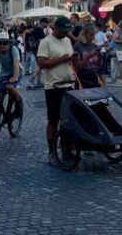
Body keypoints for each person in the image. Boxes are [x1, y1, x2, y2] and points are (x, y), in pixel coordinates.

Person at [38, 16, 76, 158]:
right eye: (64, 31)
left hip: (69, 84)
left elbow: (69, 58)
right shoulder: (45, 42)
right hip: (53, 87)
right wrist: (62, 59)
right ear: (56, 28)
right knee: (53, 120)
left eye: (68, 31)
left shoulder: (67, 41)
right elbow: (41, 63)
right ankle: (52, 150)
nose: (66, 34)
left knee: (69, 119)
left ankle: (67, 148)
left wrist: (74, 58)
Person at [0, 31, 22, 121]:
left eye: (4, 43)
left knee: (10, 86)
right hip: (4, 73)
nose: (2, 45)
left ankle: (18, 104)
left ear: (9, 43)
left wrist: (14, 78)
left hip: (16, 71)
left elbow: (16, 65)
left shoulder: (13, 50)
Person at [74, 23, 105, 88]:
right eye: (91, 35)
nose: (93, 37)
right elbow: (76, 67)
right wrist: (88, 56)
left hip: (95, 78)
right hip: (83, 79)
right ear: (84, 34)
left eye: (94, 35)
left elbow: (100, 68)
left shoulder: (94, 46)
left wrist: (100, 57)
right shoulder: (78, 46)